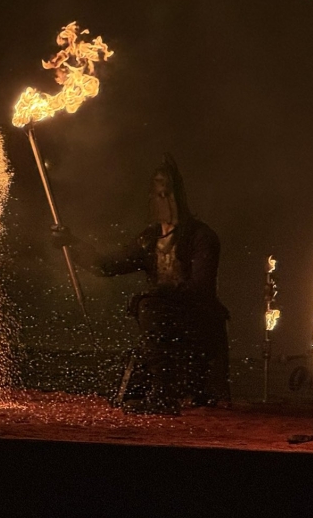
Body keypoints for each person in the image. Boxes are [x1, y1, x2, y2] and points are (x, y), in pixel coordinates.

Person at [54, 154, 230, 414]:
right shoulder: (149, 239)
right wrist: (73, 242)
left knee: (150, 305)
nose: (162, 198)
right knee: (125, 390)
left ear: (178, 196)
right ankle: (155, 390)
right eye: (157, 192)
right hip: (161, 325)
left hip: (196, 322)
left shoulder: (201, 237)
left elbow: (200, 288)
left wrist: (158, 295)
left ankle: (163, 396)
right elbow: (107, 265)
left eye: (167, 192)